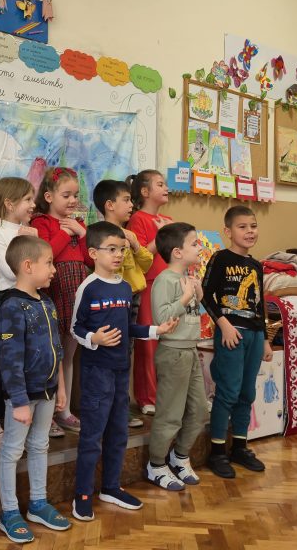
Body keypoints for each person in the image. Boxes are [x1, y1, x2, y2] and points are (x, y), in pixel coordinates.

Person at [70, 221, 178, 521]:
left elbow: (128, 327)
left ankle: (110, 487)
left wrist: (156, 330)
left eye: (122, 249)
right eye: (112, 249)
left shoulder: (124, 287)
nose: (119, 255)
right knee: (92, 436)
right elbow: (75, 327)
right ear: (94, 253)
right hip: (96, 373)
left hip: (120, 371)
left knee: (118, 432)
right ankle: (82, 495)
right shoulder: (88, 287)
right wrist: (94, 338)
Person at [0, 235, 71, 543]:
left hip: (48, 392)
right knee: (12, 450)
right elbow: (9, 359)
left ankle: (38, 503)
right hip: (23, 398)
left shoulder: (47, 302)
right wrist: (19, 401)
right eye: (49, 263)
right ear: (28, 266)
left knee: (40, 445)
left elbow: (56, 349)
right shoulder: (12, 306)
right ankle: (9, 512)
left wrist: (61, 386)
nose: (54, 269)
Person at [201, 205, 272, 479]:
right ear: (228, 231)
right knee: (228, 392)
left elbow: (259, 303)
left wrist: (265, 339)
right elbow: (205, 294)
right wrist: (223, 324)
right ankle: (218, 452)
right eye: (242, 227)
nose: (249, 231)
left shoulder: (256, 265)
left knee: (247, 393)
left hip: (254, 335)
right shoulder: (220, 258)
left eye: (253, 226)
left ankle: (240, 447)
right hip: (231, 333)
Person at [146, 222, 207, 491]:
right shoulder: (165, 280)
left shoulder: (188, 279)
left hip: (190, 350)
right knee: (170, 414)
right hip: (172, 352)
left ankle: (179, 456)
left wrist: (197, 295)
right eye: (194, 243)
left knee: (199, 410)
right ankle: (156, 464)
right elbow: (162, 318)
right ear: (177, 252)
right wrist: (184, 298)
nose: (200, 247)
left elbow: (193, 315)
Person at [31, 167, 92, 435]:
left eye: (75, 195)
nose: (72, 200)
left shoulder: (77, 223)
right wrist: (66, 234)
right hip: (54, 291)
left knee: (68, 355)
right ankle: (48, 414)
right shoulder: (41, 223)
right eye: (66, 195)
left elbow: (91, 258)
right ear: (48, 196)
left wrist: (82, 233)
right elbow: (47, 254)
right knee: (51, 356)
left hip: (76, 293)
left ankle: (64, 411)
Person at [0, 176, 38, 454]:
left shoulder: (30, 231)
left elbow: (39, 269)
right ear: (9, 203)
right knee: (9, 365)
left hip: (31, 300)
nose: (33, 204)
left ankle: (16, 423)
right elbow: (11, 271)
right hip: (9, 302)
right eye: (27, 199)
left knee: (27, 364)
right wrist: (24, 240)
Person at [93, 179, 154, 429]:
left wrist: (136, 245)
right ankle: (108, 407)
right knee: (111, 353)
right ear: (110, 205)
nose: (131, 205)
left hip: (132, 297)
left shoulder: (129, 234)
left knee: (126, 353)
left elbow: (146, 264)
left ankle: (121, 406)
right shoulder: (99, 234)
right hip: (110, 300)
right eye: (126, 200)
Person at [126, 169, 173, 415]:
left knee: (168, 341)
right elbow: (141, 255)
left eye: (165, 184)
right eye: (160, 184)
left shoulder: (168, 219)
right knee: (149, 342)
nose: (166, 188)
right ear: (145, 191)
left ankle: (166, 394)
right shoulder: (138, 219)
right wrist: (162, 235)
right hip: (148, 285)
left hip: (169, 285)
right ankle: (147, 397)